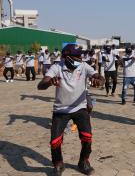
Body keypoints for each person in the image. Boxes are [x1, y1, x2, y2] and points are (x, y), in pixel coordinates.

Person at [37, 44, 105, 176]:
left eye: (81, 56)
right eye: (77, 56)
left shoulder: (84, 66)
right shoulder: (57, 67)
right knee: (55, 142)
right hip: (61, 110)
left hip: (80, 108)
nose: (80, 58)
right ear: (66, 57)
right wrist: (50, 82)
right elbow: (41, 85)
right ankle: (58, 163)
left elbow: (99, 77)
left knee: (87, 138)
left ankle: (83, 162)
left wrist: (99, 81)